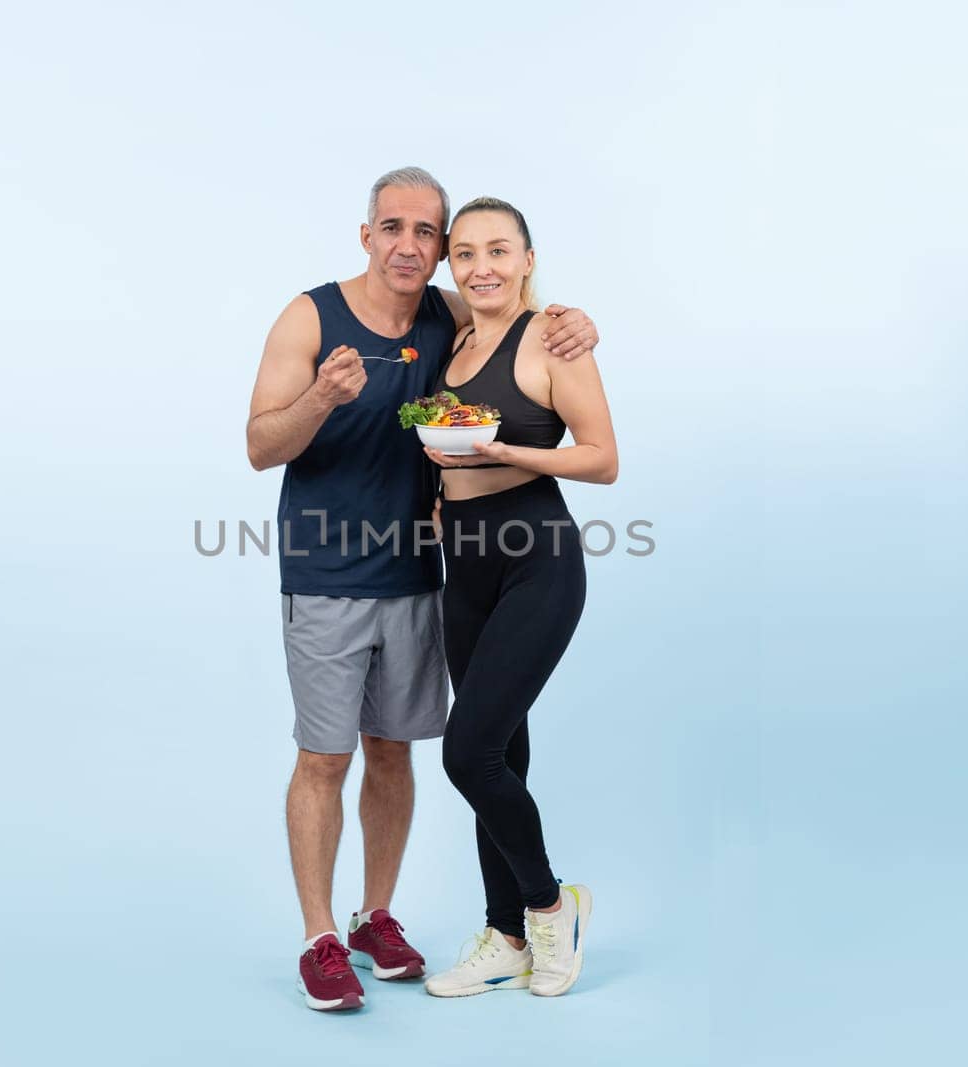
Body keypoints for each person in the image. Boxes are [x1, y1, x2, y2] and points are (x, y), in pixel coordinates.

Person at [245, 169, 600, 1012]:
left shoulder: (451, 315)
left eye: (427, 232)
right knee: (325, 757)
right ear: (366, 233)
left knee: (398, 752)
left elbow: (516, 308)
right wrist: (322, 398)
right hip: (327, 573)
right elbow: (261, 444)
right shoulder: (310, 315)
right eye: (391, 227)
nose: (411, 245)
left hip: (424, 574)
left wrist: (576, 320)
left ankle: (384, 918)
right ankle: (322, 935)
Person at [418, 197, 617, 1000]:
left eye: (499, 250)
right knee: (503, 753)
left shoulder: (553, 336)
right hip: (462, 564)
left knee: (468, 753)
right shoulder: (458, 335)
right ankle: (504, 934)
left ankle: (550, 906)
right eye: (465, 253)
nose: (482, 266)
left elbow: (603, 458)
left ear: (528, 258)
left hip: (537, 557)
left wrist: (509, 450)